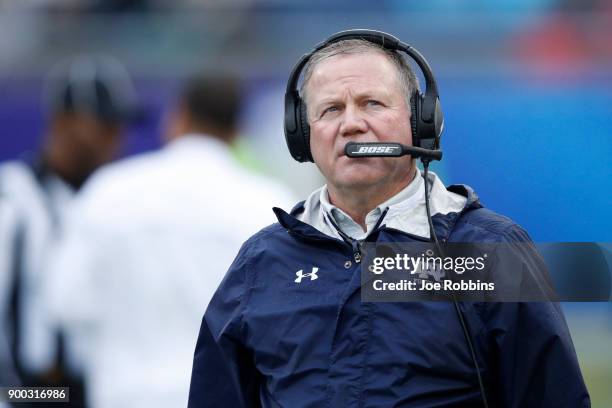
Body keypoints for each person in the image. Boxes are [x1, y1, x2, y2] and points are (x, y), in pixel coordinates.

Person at [188, 30, 590, 407]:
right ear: (302, 135)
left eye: (372, 103)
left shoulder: (488, 249)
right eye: (330, 110)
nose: (351, 124)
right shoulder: (261, 261)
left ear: (421, 122)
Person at [44, 74, 295, 408]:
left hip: (123, 395)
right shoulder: (268, 202)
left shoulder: (110, 191)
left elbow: (66, 303)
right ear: (238, 132)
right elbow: (285, 323)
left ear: (177, 117)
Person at [0, 55, 139, 406]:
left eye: (119, 125)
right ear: (62, 121)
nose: (115, 137)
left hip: (102, 393)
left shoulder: (121, 202)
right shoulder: (13, 199)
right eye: (104, 123)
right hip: (27, 394)